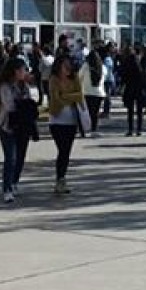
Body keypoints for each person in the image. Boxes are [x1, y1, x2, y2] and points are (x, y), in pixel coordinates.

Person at [0, 57, 36, 204]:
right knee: (10, 158)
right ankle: (7, 189)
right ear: (14, 71)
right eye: (21, 70)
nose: (24, 72)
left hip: (23, 125)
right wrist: (23, 103)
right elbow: (9, 105)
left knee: (20, 157)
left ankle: (14, 182)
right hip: (7, 125)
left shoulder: (24, 86)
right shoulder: (5, 86)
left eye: (25, 70)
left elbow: (30, 101)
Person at [48, 54, 85, 195]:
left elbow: (80, 95)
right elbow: (56, 99)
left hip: (72, 120)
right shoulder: (54, 79)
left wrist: (66, 96)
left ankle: (61, 179)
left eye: (69, 66)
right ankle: (60, 179)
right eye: (65, 66)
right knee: (62, 149)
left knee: (66, 151)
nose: (68, 69)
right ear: (59, 67)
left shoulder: (74, 78)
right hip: (57, 119)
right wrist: (70, 97)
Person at [119, 45, 146, 136]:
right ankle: (139, 129)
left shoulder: (126, 62)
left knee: (130, 110)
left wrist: (122, 85)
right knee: (139, 110)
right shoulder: (138, 61)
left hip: (129, 87)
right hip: (138, 87)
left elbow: (123, 75)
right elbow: (142, 75)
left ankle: (130, 129)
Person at [79, 49, 107, 136]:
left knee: (86, 112)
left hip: (87, 92)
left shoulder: (86, 66)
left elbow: (79, 76)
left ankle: (84, 130)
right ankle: (94, 130)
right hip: (99, 92)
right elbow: (105, 77)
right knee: (95, 112)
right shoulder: (102, 67)